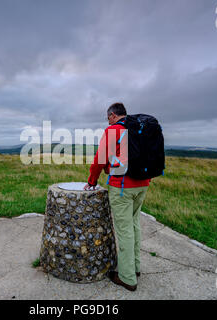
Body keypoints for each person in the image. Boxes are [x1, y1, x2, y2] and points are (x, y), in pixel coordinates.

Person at [84, 102, 150, 291]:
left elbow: (100, 159)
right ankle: (135, 267)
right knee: (135, 224)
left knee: (125, 231)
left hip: (122, 187)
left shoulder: (114, 130)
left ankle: (127, 278)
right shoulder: (140, 129)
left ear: (113, 115)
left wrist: (92, 181)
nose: (108, 121)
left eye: (108, 118)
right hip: (143, 184)